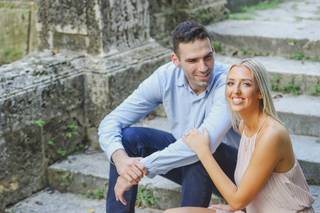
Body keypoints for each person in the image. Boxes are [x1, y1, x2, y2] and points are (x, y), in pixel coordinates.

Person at [98, 20, 240, 213]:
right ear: (175, 60)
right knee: (128, 139)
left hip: (235, 172)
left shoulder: (228, 82)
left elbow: (205, 142)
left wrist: (140, 167)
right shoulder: (165, 77)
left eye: (208, 57)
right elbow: (111, 121)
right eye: (192, 61)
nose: (204, 67)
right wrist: (121, 160)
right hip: (193, 159)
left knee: (200, 150)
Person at [165, 58, 315, 213]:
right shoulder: (245, 125)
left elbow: (237, 200)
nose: (235, 90)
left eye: (246, 84)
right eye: (230, 83)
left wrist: (203, 151)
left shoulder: (272, 135)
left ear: (260, 93)